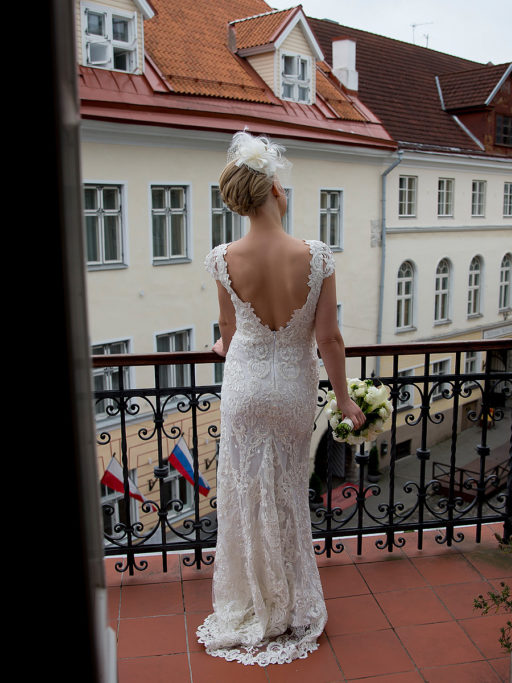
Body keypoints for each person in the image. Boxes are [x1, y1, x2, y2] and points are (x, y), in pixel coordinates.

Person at [198, 131, 365, 666]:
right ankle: (289, 605)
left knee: (247, 498)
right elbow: (329, 339)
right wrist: (344, 401)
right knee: (288, 496)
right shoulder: (315, 256)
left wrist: (224, 344)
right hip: (293, 388)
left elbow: (229, 331)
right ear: (275, 190)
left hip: (244, 386)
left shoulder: (222, 259)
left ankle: (252, 602)